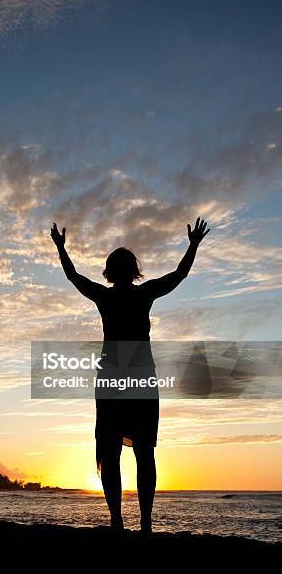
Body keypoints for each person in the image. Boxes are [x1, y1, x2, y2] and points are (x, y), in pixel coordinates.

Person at [50, 217, 210, 533]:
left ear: (111, 271)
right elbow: (179, 275)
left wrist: (61, 248)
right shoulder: (142, 294)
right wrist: (193, 245)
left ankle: (117, 521)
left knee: (111, 453)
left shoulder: (106, 296)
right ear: (133, 270)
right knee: (142, 452)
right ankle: (145, 523)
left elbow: (72, 276)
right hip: (139, 375)